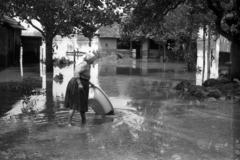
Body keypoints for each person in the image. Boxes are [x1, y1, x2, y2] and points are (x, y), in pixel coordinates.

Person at [64, 51, 97, 126]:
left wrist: (90, 83)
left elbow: (84, 77)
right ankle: (69, 123)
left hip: (82, 84)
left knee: (82, 103)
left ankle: (84, 121)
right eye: (93, 59)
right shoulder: (84, 64)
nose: (94, 60)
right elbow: (76, 73)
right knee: (74, 104)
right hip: (77, 84)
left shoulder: (88, 65)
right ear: (88, 59)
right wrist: (79, 84)